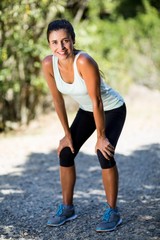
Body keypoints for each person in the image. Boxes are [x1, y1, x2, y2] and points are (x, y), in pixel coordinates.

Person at [42, 19, 126, 232]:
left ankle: (113, 211)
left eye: (65, 41)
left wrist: (101, 136)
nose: (60, 47)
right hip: (88, 110)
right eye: (54, 43)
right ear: (49, 44)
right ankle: (67, 208)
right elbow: (57, 99)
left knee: (104, 153)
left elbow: (97, 101)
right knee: (66, 152)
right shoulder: (48, 64)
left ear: (73, 40)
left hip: (112, 108)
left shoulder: (84, 61)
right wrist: (66, 134)